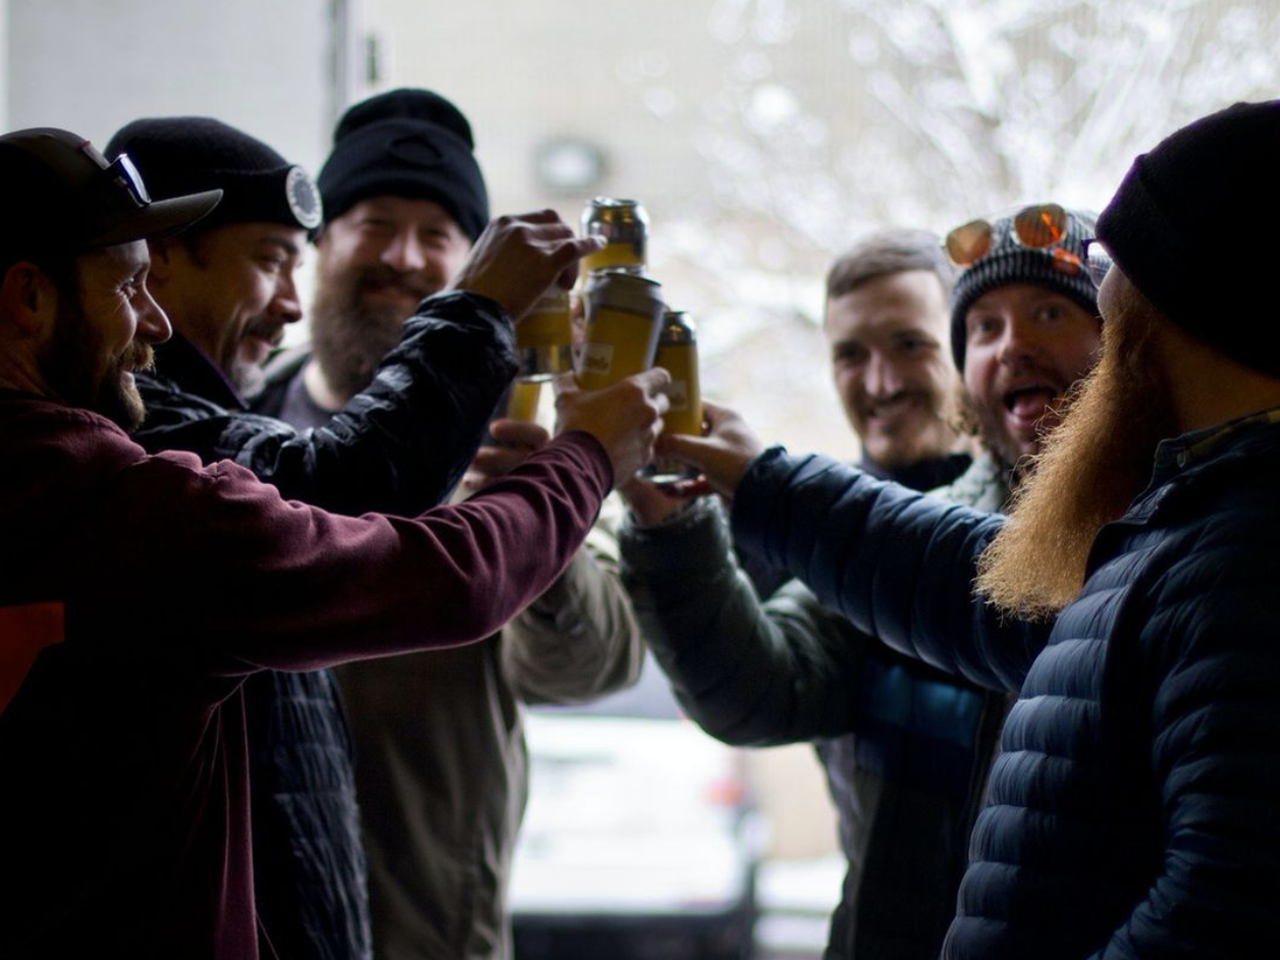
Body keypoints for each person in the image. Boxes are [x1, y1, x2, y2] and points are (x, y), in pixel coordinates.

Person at [0, 125, 669, 960]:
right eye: (129, 285)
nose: (154, 325)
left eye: (438, 239)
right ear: (29, 298)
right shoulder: (149, 503)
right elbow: (444, 564)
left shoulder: (137, 484)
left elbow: (593, 663)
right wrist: (589, 453)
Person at [646, 100, 1280, 959]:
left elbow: (1225, 908)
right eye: (983, 326)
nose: (1102, 299)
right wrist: (732, 489)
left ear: (1184, 309)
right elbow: (972, 584)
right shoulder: (1171, 525)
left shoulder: (1242, 547)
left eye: (1094, 293)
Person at [620, 213, 1101, 959]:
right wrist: (670, 530)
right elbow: (764, 687)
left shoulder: (1162, 539)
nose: (880, 382)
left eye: (1047, 313)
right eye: (984, 327)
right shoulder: (854, 546)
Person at [251, 89, 646, 960]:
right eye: (375, 222)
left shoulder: (520, 436)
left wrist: (547, 521)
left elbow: (589, 666)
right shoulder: (236, 423)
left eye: (437, 235)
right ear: (321, 244)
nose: (404, 256)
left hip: (422, 927)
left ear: (473, 264)